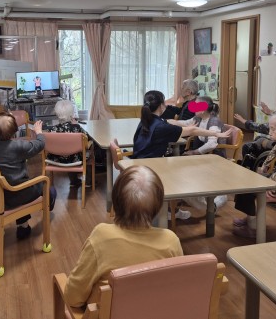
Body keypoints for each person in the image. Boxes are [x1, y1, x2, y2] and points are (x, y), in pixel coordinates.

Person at [63, 165, 183, 308]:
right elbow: (178, 290)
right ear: (158, 206)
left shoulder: (101, 237)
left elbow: (73, 297)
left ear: (116, 201)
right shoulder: (171, 241)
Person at [132, 90, 232, 220]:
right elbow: (189, 128)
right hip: (151, 167)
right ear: (161, 106)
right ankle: (204, 207)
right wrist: (215, 134)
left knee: (182, 172)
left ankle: (173, 208)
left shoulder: (147, 120)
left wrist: (209, 137)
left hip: (141, 163)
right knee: (183, 179)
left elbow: (191, 129)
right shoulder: (163, 125)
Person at [0, 111, 57, 240]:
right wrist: (39, 132)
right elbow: (40, 144)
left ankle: (23, 226)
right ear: (14, 130)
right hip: (17, 195)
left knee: (15, 183)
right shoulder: (18, 147)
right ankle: (49, 202)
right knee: (46, 185)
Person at [168, 96, 228, 213]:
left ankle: (205, 199)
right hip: (204, 154)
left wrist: (195, 152)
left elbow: (212, 144)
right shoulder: (198, 118)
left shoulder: (214, 122)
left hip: (214, 156)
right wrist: (166, 121)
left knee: (181, 164)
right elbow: (184, 123)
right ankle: (192, 195)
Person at [46, 99, 93, 188]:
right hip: (75, 160)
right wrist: (75, 124)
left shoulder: (51, 130)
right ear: (71, 114)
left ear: (56, 113)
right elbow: (87, 138)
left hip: (55, 160)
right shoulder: (76, 128)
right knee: (85, 153)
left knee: (66, 150)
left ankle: (74, 181)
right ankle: (88, 182)